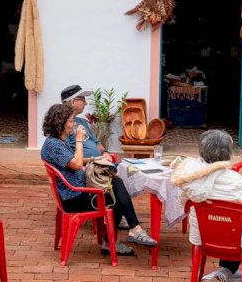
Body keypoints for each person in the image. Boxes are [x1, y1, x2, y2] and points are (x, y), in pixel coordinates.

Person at [40, 103, 157, 256]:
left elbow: (74, 161)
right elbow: (75, 163)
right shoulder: (54, 145)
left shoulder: (56, 142)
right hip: (74, 197)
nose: (74, 124)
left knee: (115, 182)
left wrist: (97, 159)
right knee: (117, 197)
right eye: (71, 121)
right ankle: (119, 238)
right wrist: (79, 140)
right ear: (60, 123)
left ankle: (133, 230)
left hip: (76, 191)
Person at [171, 129, 242, 282]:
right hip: (233, 238)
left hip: (203, 236)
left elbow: (182, 204)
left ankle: (226, 272)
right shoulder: (234, 180)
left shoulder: (189, 177)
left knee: (230, 223)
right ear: (228, 153)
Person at [61, 85, 114, 162]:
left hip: (100, 163)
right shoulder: (62, 124)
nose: (86, 103)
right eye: (83, 100)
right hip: (87, 168)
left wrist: (105, 152)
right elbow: (69, 159)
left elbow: (96, 142)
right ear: (72, 102)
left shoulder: (82, 122)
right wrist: (96, 159)